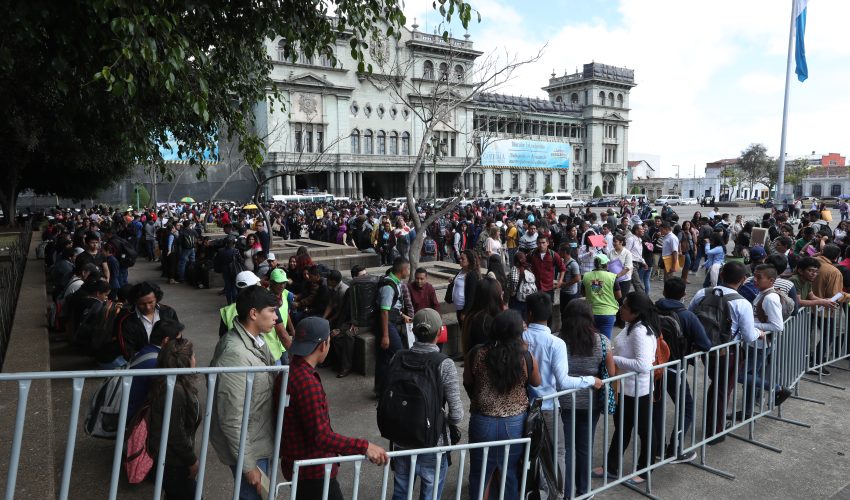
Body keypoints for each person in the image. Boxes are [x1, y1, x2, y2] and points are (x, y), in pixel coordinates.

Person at [281, 317, 389, 499]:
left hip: (297, 465)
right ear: (323, 345)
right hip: (313, 472)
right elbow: (321, 436)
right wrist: (364, 446)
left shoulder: (289, 372)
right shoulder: (307, 383)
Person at [522, 293, 602, 497]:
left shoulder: (521, 338)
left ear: (529, 314)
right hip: (550, 406)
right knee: (560, 452)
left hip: (525, 406)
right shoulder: (556, 343)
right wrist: (591, 381)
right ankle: (566, 493)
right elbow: (563, 381)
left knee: (529, 454)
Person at [463, 310, 541, 500]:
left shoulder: (477, 353)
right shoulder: (525, 357)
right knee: (510, 472)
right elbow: (537, 382)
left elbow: (467, 381)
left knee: (480, 474)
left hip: (482, 420)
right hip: (515, 423)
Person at [210, 285, 278, 500]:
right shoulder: (234, 355)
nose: (276, 317)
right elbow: (231, 417)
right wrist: (248, 465)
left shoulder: (255, 339)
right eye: (272, 311)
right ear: (254, 313)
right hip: (250, 447)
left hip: (259, 437)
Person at [388, 309, 464, 500]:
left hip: (401, 438)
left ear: (413, 331)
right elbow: (456, 414)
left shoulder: (397, 358)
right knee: (430, 494)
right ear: (439, 333)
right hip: (433, 442)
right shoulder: (444, 364)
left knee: (401, 492)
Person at [688, 262, 759, 444]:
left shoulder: (702, 293)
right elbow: (750, 336)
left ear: (721, 275)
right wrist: (760, 332)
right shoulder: (742, 303)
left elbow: (691, 316)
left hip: (706, 350)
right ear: (743, 280)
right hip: (729, 352)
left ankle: (712, 424)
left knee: (717, 386)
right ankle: (715, 432)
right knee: (722, 390)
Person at [594, 292, 658, 484]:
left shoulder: (641, 332)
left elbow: (643, 364)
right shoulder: (632, 326)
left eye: (624, 307)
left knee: (645, 431)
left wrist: (612, 359)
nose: (620, 309)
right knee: (622, 428)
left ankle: (645, 470)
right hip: (625, 388)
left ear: (636, 312)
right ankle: (611, 466)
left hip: (639, 390)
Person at [559, 299, 614, 498]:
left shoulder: (559, 341)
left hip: (563, 402)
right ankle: (584, 490)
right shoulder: (602, 342)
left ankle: (566, 493)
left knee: (566, 449)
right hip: (591, 403)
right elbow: (611, 372)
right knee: (584, 447)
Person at [653, 278, 711, 463]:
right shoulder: (687, 316)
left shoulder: (652, 311)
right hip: (674, 368)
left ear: (663, 291)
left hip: (653, 368)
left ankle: (656, 448)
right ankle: (675, 449)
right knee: (686, 407)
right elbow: (705, 344)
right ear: (684, 295)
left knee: (657, 407)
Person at [148, 338, 201, 499]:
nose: (195, 360)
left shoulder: (172, 384)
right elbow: (175, 433)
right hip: (174, 463)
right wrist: (191, 460)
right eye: (193, 356)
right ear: (185, 361)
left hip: (171, 460)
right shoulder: (174, 391)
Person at [737, 265, 793, 419]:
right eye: (754, 276)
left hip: (760, 346)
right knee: (750, 377)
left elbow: (777, 325)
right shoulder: (763, 294)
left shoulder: (770, 298)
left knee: (738, 375)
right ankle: (747, 411)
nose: (754, 280)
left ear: (771, 281)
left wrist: (751, 325)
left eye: (759, 277)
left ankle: (777, 389)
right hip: (755, 343)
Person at [127, 318, 184, 420]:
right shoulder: (155, 363)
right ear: (166, 340)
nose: (181, 343)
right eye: (179, 340)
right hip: (134, 419)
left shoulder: (147, 350)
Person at [117, 281, 179, 360]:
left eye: (151, 302)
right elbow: (127, 350)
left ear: (157, 298)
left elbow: (176, 335)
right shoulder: (126, 321)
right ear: (135, 302)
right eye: (142, 304)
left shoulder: (169, 312)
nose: (148, 307)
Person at [376, 257, 411, 394]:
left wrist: (403, 316)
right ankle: (396, 387)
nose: (408, 271)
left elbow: (392, 307)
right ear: (403, 270)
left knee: (384, 358)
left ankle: (382, 388)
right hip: (387, 325)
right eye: (407, 269)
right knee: (399, 353)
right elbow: (384, 311)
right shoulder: (388, 286)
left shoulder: (395, 283)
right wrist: (385, 336)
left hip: (392, 321)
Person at [461, 276, 506, 354]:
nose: (503, 294)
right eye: (500, 292)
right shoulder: (486, 322)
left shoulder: (472, 316)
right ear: (494, 297)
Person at [582, 254, 621, 339]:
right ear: (606, 265)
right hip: (608, 313)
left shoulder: (586, 276)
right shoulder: (612, 277)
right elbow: (619, 296)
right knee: (605, 341)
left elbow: (583, 293)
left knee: (592, 340)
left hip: (590, 312)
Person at [528, 235, 566, 309]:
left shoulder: (553, 255)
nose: (541, 245)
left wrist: (560, 281)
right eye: (539, 243)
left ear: (547, 243)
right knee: (537, 309)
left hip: (549, 288)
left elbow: (562, 268)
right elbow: (526, 264)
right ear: (536, 243)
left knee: (549, 310)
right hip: (535, 287)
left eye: (543, 242)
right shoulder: (532, 254)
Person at [448, 250, 480, 329]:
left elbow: (471, 296)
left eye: (463, 259)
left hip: (466, 312)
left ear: (469, 261)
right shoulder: (461, 271)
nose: (460, 260)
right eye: (460, 258)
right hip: (459, 309)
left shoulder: (471, 275)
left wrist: (465, 312)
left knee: (467, 333)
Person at [557, 242, 582, 326]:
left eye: (559, 251)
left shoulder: (573, 264)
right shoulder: (563, 262)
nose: (558, 253)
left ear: (564, 252)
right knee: (563, 312)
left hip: (570, 294)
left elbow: (577, 278)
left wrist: (564, 284)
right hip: (563, 292)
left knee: (569, 314)